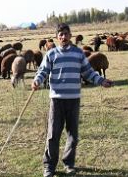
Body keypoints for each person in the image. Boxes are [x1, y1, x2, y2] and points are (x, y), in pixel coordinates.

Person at [31, 23, 113, 177]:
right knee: (53, 134)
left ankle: (69, 164)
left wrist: (101, 81)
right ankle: (49, 166)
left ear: (70, 36)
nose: (63, 36)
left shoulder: (78, 54)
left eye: (66, 34)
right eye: (60, 34)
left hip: (73, 99)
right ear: (57, 37)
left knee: (73, 135)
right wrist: (37, 80)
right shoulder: (51, 54)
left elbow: (88, 72)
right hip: (56, 100)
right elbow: (43, 71)